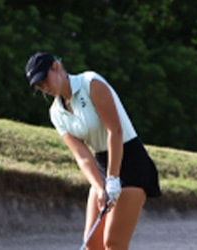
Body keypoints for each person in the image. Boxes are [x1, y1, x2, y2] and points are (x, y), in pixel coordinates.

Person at [25, 52, 161, 250]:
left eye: (44, 79)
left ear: (56, 66)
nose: (44, 87)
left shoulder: (90, 82)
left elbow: (114, 130)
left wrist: (113, 178)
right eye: (39, 85)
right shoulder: (56, 113)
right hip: (102, 165)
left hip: (130, 161)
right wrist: (99, 186)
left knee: (113, 243)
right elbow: (82, 155)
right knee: (92, 244)